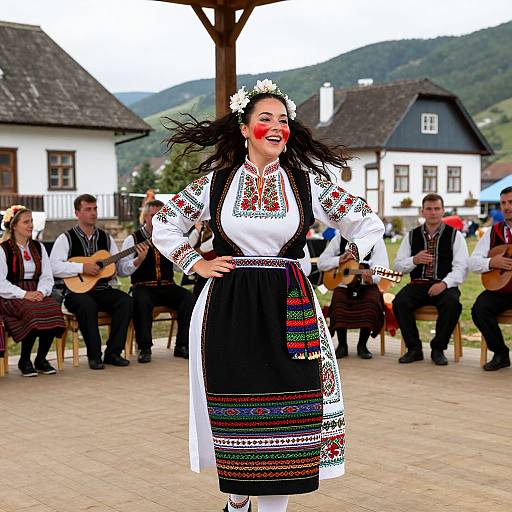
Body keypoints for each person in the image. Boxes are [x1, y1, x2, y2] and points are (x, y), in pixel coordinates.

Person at [152, 79, 384, 512]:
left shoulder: (307, 183)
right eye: (265, 119)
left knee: (290, 413)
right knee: (237, 405)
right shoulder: (215, 184)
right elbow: (164, 224)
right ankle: (237, 498)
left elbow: (366, 221)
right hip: (229, 304)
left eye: (283, 120)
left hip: (289, 303)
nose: (276, 127)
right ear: (244, 127)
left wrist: (354, 255)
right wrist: (196, 263)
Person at [50, 194, 133, 370]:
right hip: (76, 292)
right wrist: (82, 268)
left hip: (102, 289)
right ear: (77, 213)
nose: (93, 213)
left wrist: (132, 261)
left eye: (95, 209)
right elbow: (55, 267)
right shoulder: (66, 238)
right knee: (87, 305)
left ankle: (113, 353)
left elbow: (117, 268)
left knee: (125, 301)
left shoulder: (106, 237)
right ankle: (94, 356)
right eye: (88, 209)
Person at [393, 194, 468, 365]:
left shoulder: (455, 235)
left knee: (452, 303)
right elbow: (397, 266)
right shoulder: (411, 236)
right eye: (429, 209)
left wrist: (444, 284)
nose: (433, 212)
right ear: (422, 211)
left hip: (445, 284)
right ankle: (414, 349)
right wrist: (414, 260)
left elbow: (461, 267)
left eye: (436, 209)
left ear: (443, 211)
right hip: (418, 284)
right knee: (400, 302)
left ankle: (438, 349)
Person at [118, 199, 194, 362]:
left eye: (162, 215)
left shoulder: (170, 238)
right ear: (145, 217)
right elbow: (121, 270)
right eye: (154, 215)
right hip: (143, 286)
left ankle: (182, 345)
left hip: (167, 286)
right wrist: (138, 260)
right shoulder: (133, 239)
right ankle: (144, 348)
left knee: (188, 299)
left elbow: (178, 268)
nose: (158, 219)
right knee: (142, 301)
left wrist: (179, 253)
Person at [0, 205, 65, 376]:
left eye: (31, 221)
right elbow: (1, 283)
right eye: (26, 222)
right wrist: (24, 294)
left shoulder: (38, 247)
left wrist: (42, 292)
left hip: (36, 291)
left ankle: (41, 359)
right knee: (33, 311)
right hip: (11, 295)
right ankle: (25, 359)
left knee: (53, 309)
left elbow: (47, 276)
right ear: (14, 226)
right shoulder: (3, 249)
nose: (31, 225)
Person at [317, 231, 388, 359]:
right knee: (338, 305)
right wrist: (339, 259)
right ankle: (342, 345)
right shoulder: (340, 237)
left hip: (366, 285)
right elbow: (321, 262)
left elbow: (382, 267)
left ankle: (362, 345)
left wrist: (371, 278)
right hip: (344, 285)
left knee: (371, 304)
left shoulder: (376, 239)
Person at [469, 186, 512, 371]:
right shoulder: (493, 231)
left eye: (511, 202)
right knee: (480, 309)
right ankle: (501, 353)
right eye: (503, 203)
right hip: (501, 289)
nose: (507, 207)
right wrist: (492, 262)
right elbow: (473, 262)